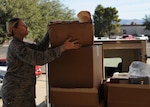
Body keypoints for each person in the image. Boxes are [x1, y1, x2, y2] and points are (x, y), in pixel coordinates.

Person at [1, 18, 81, 107]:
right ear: (14, 29)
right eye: (23, 25)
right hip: (15, 95)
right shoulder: (16, 47)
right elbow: (39, 59)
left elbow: (41, 48)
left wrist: (50, 30)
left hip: (24, 94)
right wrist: (63, 48)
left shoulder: (23, 45)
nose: (26, 27)